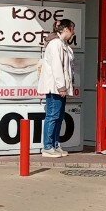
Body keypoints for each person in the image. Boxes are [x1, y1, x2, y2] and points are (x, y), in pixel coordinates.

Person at [37, 18, 76, 158]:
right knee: (53, 115)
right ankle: (47, 146)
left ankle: (54, 144)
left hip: (58, 87)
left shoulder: (62, 44)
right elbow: (57, 67)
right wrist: (61, 87)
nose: (73, 33)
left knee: (58, 116)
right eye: (72, 29)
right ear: (66, 29)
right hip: (55, 87)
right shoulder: (55, 44)